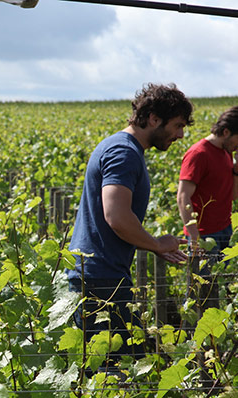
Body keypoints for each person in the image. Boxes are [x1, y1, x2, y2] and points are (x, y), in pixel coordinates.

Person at [67, 83, 193, 367]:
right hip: (101, 279)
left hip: (99, 274)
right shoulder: (124, 152)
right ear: (153, 119)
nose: (181, 134)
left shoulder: (119, 146)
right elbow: (117, 216)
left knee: (109, 371)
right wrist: (157, 244)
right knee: (118, 372)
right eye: (177, 125)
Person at [177, 106, 238, 309]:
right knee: (199, 294)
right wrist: (194, 239)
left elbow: (234, 195)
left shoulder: (225, 153)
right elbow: (183, 196)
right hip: (203, 236)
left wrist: (237, 171)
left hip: (223, 231)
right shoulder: (198, 154)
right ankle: (193, 335)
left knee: (217, 288)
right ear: (226, 132)